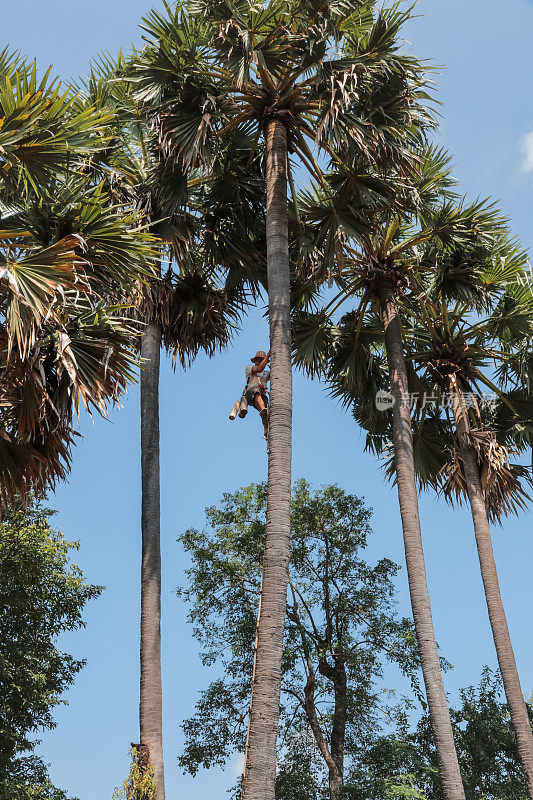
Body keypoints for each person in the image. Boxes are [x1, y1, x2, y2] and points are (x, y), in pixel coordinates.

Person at [244, 350, 270, 438]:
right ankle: (263, 410)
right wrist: (268, 355)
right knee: (256, 391)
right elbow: (259, 369)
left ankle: (266, 428)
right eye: (258, 360)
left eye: (261, 360)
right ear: (255, 360)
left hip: (262, 396)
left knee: (267, 410)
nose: (260, 362)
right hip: (250, 393)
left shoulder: (266, 374)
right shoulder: (249, 368)